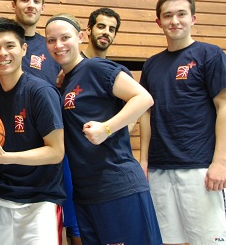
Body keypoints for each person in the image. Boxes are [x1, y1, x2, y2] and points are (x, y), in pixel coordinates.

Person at [45, 14, 162, 244]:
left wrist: (107, 128)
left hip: (116, 186)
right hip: (86, 192)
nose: (58, 45)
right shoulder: (64, 82)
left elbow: (143, 98)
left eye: (65, 37)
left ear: (80, 36)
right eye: (51, 40)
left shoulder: (96, 67)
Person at [0, 18, 65, 245]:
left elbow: (56, 152)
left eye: (10, 46)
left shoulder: (41, 92)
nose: (2, 53)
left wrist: (3, 158)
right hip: (1, 194)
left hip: (41, 199)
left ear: (24, 49)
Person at [139, 0, 226, 244]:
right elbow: (145, 114)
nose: (174, 21)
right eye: (167, 16)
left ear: (193, 19)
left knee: (210, 240)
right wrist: (144, 161)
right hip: (159, 169)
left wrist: (220, 163)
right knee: (167, 240)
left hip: (200, 168)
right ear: (159, 22)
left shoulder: (210, 55)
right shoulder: (151, 64)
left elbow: (223, 108)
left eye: (181, 14)